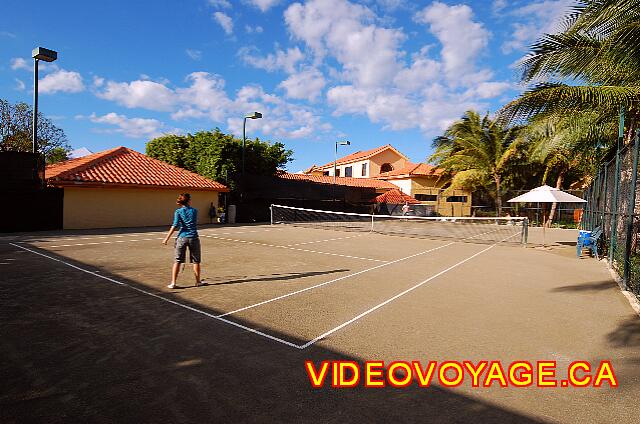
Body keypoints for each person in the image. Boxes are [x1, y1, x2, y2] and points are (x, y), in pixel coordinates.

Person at [162, 193, 202, 288]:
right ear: (189, 201)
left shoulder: (178, 211)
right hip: (193, 237)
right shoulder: (194, 211)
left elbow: (175, 225)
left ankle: (173, 283)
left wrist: (166, 238)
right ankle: (198, 281)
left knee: (178, 261)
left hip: (182, 238)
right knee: (196, 261)